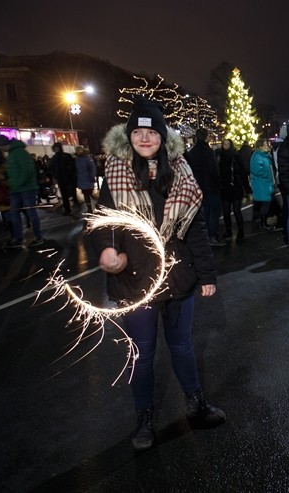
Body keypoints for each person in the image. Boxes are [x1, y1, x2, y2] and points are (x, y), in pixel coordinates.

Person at [91, 99, 225, 451]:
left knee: (182, 345)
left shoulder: (180, 172)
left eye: (152, 132)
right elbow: (103, 222)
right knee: (143, 354)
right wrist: (106, 250)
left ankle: (196, 405)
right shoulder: (117, 172)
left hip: (178, 278)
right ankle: (144, 418)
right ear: (129, 137)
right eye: (138, 132)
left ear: (163, 137)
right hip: (134, 281)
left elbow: (194, 228)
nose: (145, 138)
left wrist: (207, 274)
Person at [186, 128, 225, 246]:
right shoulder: (209, 151)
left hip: (199, 187)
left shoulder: (192, 152)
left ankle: (206, 237)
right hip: (211, 187)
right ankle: (212, 235)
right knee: (216, 212)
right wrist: (219, 183)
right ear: (206, 137)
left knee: (205, 213)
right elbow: (214, 170)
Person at [4, 137, 44, 248]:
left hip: (26, 188)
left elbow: (27, 170)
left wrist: (17, 183)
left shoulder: (19, 152)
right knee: (15, 213)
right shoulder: (12, 154)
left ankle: (38, 236)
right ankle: (18, 238)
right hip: (16, 189)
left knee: (30, 212)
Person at [217, 139, 249, 242]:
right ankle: (228, 230)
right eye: (224, 144)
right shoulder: (219, 156)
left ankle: (241, 232)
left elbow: (243, 172)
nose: (225, 146)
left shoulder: (236, 156)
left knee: (236, 211)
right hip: (225, 187)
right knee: (226, 212)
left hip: (235, 187)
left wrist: (246, 187)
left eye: (227, 144)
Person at [249, 137, 276, 230]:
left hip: (265, 183)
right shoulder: (257, 156)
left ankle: (263, 223)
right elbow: (256, 170)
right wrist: (267, 175)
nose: (266, 146)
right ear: (259, 146)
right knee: (265, 204)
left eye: (266, 144)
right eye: (264, 145)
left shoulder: (264, 156)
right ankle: (263, 223)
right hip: (262, 184)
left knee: (265, 204)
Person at [50, 142, 78, 216]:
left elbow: (72, 167)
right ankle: (68, 209)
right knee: (65, 195)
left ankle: (73, 206)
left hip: (67, 178)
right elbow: (52, 168)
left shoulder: (63, 156)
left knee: (70, 193)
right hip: (63, 179)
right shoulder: (56, 158)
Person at [74, 146, 96, 213]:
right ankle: (89, 208)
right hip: (82, 180)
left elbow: (92, 167)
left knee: (90, 194)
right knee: (86, 195)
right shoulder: (77, 159)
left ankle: (96, 205)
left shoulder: (87, 158)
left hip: (88, 179)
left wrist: (92, 176)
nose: (78, 151)